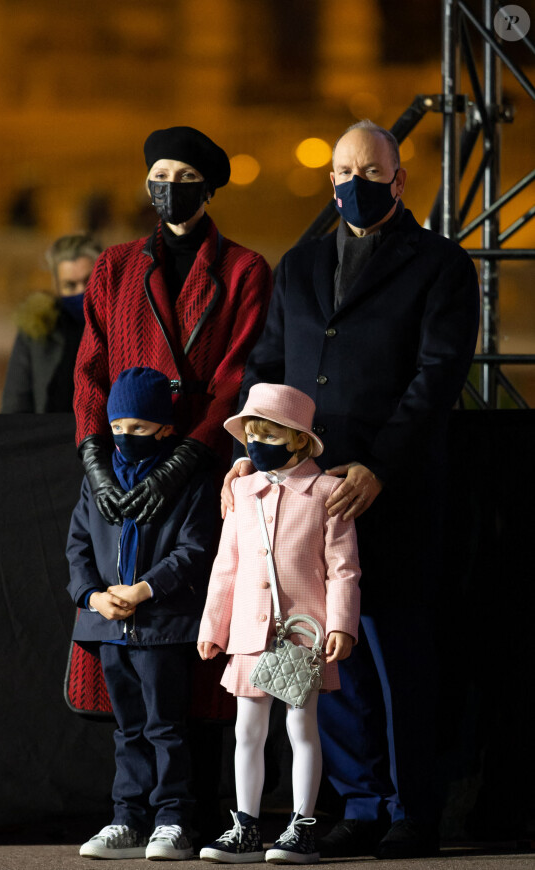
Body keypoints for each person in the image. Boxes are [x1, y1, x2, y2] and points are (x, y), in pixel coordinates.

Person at [222, 120, 480, 859]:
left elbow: (436, 378)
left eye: (366, 171)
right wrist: (251, 449)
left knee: (396, 654)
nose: (350, 183)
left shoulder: (441, 266)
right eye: (340, 170)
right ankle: (359, 804)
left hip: (389, 493)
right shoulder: (298, 266)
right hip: (304, 497)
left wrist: (379, 466)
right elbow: (268, 367)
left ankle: (411, 810)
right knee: (327, 662)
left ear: (398, 180)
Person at [73, 125, 273, 528]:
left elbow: (239, 376)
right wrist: (96, 463)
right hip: (124, 461)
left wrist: (185, 460)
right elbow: (89, 370)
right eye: (161, 176)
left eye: (186, 177)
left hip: (202, 459)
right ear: (148, 186)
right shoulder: (114, 266)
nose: (170, 186)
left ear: (207, 189)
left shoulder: (244, 270)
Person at [198, 383, 361, 864]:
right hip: (249, 630)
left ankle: (301, 827)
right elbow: (226, 564)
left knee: (301, 728)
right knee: (247, 730)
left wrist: (341, 623)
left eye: (265, 435)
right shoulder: (243, 490)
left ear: (296, 439)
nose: (253, 446)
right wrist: (214, 626)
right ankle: (246, 825)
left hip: (303, 632)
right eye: (250, 436)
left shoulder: (326, 492)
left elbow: (343, 568)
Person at [66, 366, 218, 861]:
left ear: (165, 428)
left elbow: (195, 549)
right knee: (127, 729)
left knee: (165, 728)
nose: (124, 438)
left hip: (162, 627)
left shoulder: (190, 480)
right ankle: (127, 819)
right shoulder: (98, 480)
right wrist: (93, 596)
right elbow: (79, 546)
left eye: (137, 428)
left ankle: (173, 819)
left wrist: (145, 590)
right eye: (116, 429)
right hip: (110, 628)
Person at [1, 233, 102, 413]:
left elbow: (169, 382)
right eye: (70, 285)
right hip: (50, 435)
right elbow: (15, 401)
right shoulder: (37, 328)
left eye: (88, 281)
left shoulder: (123, 325)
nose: (82, 291)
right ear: (57, 286)